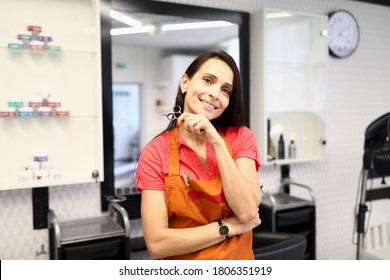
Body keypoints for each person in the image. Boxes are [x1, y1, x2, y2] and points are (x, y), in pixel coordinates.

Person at [136, 50, 262, 260]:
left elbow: (248, 212)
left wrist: (217, 143)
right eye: (207, 80)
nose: (215, 93)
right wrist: (227, 227)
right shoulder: (154, 154)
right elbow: (157, 244)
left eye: (225, 90)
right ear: (185, 82)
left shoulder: (240, 137)